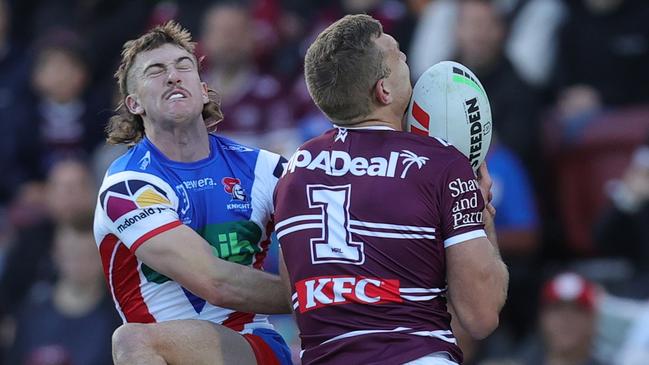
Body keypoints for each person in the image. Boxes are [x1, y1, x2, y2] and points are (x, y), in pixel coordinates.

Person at [273, 14, 509, 365]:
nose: (407, 61)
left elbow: (296, 294)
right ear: (383, 90)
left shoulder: (295, 169)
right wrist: (481, 211)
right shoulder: (441, 164)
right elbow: (481, 315)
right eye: (398, 55)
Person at [93, 21, 292, 364]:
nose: (173, 76)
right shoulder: (126, 186)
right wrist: (306, 297)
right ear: (134, 103)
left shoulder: (266, 169)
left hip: (251, 348)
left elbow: (317, 253)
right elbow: (215, 283)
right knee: (134, 341)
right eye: (155, 71)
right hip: (168, 354)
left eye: (183, 66)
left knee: (133, 340)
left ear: (202, 90)